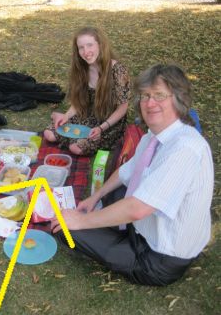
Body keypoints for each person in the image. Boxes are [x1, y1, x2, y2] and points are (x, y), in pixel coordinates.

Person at [51, 64, 214, 286]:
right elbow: (127, 171)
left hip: (159, 257)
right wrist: (94, 197)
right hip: (147, 225)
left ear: (179, 100)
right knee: (111, 191)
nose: (149, 103)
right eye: (145, 95)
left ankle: (109, 232)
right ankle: (108, 222)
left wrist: (82, 220)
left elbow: (138, 209)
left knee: (64, 229)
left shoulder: (184, 148)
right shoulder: (154, 135)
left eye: (159, 95)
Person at [44, 26, 130, 156]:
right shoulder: (81, 68)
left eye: (90, 45)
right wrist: (66, 116)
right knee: (49, 134)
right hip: (85, 114)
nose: (86, 52)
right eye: (81, 47)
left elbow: (123, 108)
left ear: (100, 45)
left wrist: (102, 128)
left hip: (107, 121)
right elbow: (79, 102)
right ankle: (68, 128)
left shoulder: (117, 70)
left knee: (76, 148)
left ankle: (75, 139)